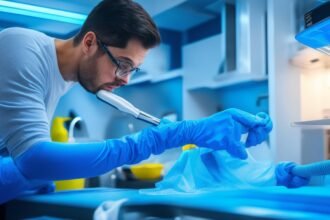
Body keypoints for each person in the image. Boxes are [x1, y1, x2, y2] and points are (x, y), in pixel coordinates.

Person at [0, 0, 272, 204]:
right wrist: (150, 142)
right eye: (122, 64)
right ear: (90, 43)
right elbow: (35, 160)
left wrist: (185, 131)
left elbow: (23, 161)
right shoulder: (21, 48)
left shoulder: (65, 78)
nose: (125, 80)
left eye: (133, 69)